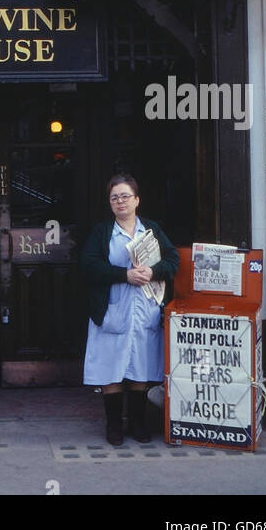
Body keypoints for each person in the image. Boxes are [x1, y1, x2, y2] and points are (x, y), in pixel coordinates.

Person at [80, 173, 179, 446]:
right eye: (114, 197)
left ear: (137, 200)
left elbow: (173, 259)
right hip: (114, 307)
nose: (120, 201)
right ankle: (114, 425)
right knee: (110, 366)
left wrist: (153, 271)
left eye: (125, 196)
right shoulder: (103, 232)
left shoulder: (152, 230)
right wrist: (124, 275)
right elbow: (88, 266)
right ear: (110, 203)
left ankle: (138, 422)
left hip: (144, 307)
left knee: (140, 364)